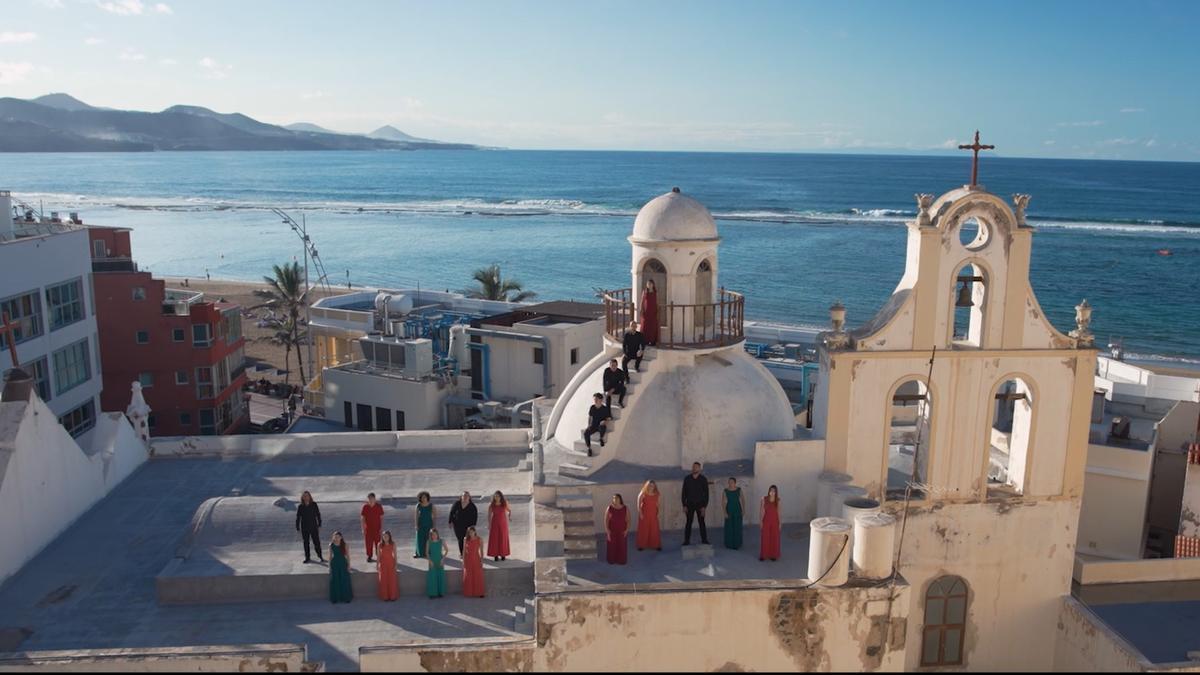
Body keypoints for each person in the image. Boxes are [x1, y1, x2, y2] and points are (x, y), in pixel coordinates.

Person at [682, 462, 710, 545]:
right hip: (689, 504)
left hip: (700, 504)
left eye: (696, 467)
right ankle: (686, 541)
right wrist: (684, 505)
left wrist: (704, 506)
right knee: (688, 523)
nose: (694, 468)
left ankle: (704, 540)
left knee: (702, 523)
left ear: (700, 469)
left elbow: (706, 494)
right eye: (693, 467)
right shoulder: (687, 479)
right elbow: (684, 493)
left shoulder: (703, 479)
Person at [296, 491, 323, 563]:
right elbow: (298, 517)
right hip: (304, 527)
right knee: (306, 543)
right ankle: (307, 558)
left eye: (307, 496)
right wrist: (297, 527)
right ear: (302, 497)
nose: (306, 497)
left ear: (309, 496)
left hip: (314, 526)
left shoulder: (314, 504)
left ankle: (320, 556)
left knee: (316, 542)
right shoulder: (300, 506)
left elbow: (318, 514)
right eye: (304, 496)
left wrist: (319, 523)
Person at [449, 491, 478, 556]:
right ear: (461, 497)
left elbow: (475, 516)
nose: (465, 497)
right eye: (464, 496)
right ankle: (462, 553)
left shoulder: (472, 506)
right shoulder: (457, 503)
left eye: (467, 496)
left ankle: (469, 552)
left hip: (468, 526)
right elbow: (452, 512)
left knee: (468, 539)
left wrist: (473, 525)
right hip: (457, 525)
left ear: (469, 497)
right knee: (460, 539)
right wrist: (450, 522)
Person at [636, 480, 662, 551]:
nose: (651, 487)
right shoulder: (643, 493)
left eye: (653, 485)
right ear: (646, 486)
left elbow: (658, 504)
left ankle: (656, 545)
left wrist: (658, 513)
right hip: (644, 514)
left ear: (655, 486)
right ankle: (641, 545)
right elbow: (638, 504)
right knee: (644, 530)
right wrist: (640, 513)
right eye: (650, 485)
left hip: (653, 514)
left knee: (654, 529)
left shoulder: (657, 493)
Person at [328, 531, 353, 604]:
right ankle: (335, 598)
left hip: (343, 563)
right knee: (335, 580)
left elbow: (348, 556)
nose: (336, 538)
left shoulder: (345, 544)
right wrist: (329, 567)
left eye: (338, 537)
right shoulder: (331, 545)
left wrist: (349, 565)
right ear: (333, 537)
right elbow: (330, 556)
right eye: (335, 537)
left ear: (341, 537)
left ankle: (346, 597)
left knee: (344, 580)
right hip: (335, 563)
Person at [461, 526, 486, 598]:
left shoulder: (479, 539)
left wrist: (482, 561)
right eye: (469, 532)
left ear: (475, 532)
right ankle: (469, 592)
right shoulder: (465, 539)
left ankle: (480, 592)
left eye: (472, 532)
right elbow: (463, 551)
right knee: (468, 576)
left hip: (476, 559)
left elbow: (481, 551)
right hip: (468, 559)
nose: (471, 533)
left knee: (478, 576)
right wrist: (463, 561)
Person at [605, 494, 630, 565]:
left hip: (622, 531)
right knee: (612, 546)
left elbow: (628, 520)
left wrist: (626, 530)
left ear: (620, 499)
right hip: (612, 531)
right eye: (614, 498)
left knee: (622, 545)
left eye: (617, 498)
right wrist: (607, 531)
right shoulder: (609, 508)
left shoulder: (625, 508)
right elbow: (606, 520)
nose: (615, 500)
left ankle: (621, 560)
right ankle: (612, 560)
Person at [487, 491, 511, 562]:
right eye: (495, 496)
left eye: (498, 496)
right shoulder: (491, 505)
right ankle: (496, 555)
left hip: (503, 523)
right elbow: (489, 515)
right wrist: (489, 524)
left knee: (502, 538)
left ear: (501, 497)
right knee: (495, 539)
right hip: (494, 523)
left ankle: (503, 554)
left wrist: (509, 516)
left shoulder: (504, 503)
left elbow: (509, 510)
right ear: (494, 497)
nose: (497, 497)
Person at [360, 493, 385, 563]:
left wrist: (381, 528)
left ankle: (378, 555)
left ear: (374, 499)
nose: (370, 500)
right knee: (368, 543)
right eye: (369, 499)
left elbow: (381, 518)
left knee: (378, 543)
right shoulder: (365, 507)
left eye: (372, 498)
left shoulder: (379, 506)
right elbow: (362, 518)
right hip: (368, 529)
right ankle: (369, 556)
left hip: (377, 529)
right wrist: (363, 528)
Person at [760, 485, 782, 562]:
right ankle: (763, 555)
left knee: (774, 538)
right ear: (769, 491)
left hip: (775, 521)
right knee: (765, 537)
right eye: (771, 490)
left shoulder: (778, 500)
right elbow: (762, 511)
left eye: (774, 491)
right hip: (766, 521)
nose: (772, 492)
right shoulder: (764, 499)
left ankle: (773, 555)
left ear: (776, 492)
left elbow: (779, 512)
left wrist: (780, 523)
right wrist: (760, 521)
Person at [722, 477, 745, 550]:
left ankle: (737, 543)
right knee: (729, 527)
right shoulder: (725, 491)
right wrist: (725, 512)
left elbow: (743, 499)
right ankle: (729, 544)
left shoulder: (739, 490)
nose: (730, 483)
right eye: (729, 482)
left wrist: (743, 509)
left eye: (731, 482)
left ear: (735, 483)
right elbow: (723, 502)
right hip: (729, 509)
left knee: (737, 527)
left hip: (737, 510)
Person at [425, 528, 449, 598]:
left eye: (435, 534)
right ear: (430, 535)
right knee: (432, 577)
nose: (434, 536)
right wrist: (430, 561)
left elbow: (446, 550)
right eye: (432, 534)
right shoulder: (428, 542)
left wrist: (443, 559)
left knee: (440, 576)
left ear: (437, 534)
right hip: (432, 561)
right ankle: (432, 594)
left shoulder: (442, 541)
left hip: (440, 560)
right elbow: (427, 553)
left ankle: (441, 593)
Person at [377, 530, 399, 601]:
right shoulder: (379, 544)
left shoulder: (393, 544)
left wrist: (396, 564)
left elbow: (395, 555)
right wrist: (377, 565)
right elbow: (378, 556)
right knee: (383, 580)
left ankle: (393, 596)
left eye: (386, 536)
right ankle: (385, 597)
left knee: (392, 580)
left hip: (391, 563)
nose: (385, 537)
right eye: (384, 536)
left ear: (389, 537)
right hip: (383, 564)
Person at [414, 491, 435, 559]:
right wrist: (416, 525)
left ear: (427, 498)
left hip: (429, 524)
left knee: (428, 538)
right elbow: (416, 516)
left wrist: (434, 526)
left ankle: (429, 552)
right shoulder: (418, 505)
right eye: (422, 497)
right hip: (420, 524)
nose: (423, 499)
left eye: (425, 497)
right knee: (419, 539)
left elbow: (434, 516)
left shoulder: (431, 505)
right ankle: (418, 553)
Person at [640, 279, 659, 346]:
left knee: (653, 326)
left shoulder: (655, 292)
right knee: (645, 325)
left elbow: (657, 302)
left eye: (650, 284)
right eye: (648, 284)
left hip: (653, 311)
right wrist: (641, 309)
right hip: (646, 311)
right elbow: (642, 301)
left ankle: (652, 341)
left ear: (653, 285)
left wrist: (657, 310)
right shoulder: (644, 292)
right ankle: (645, 340)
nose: (649, 285)